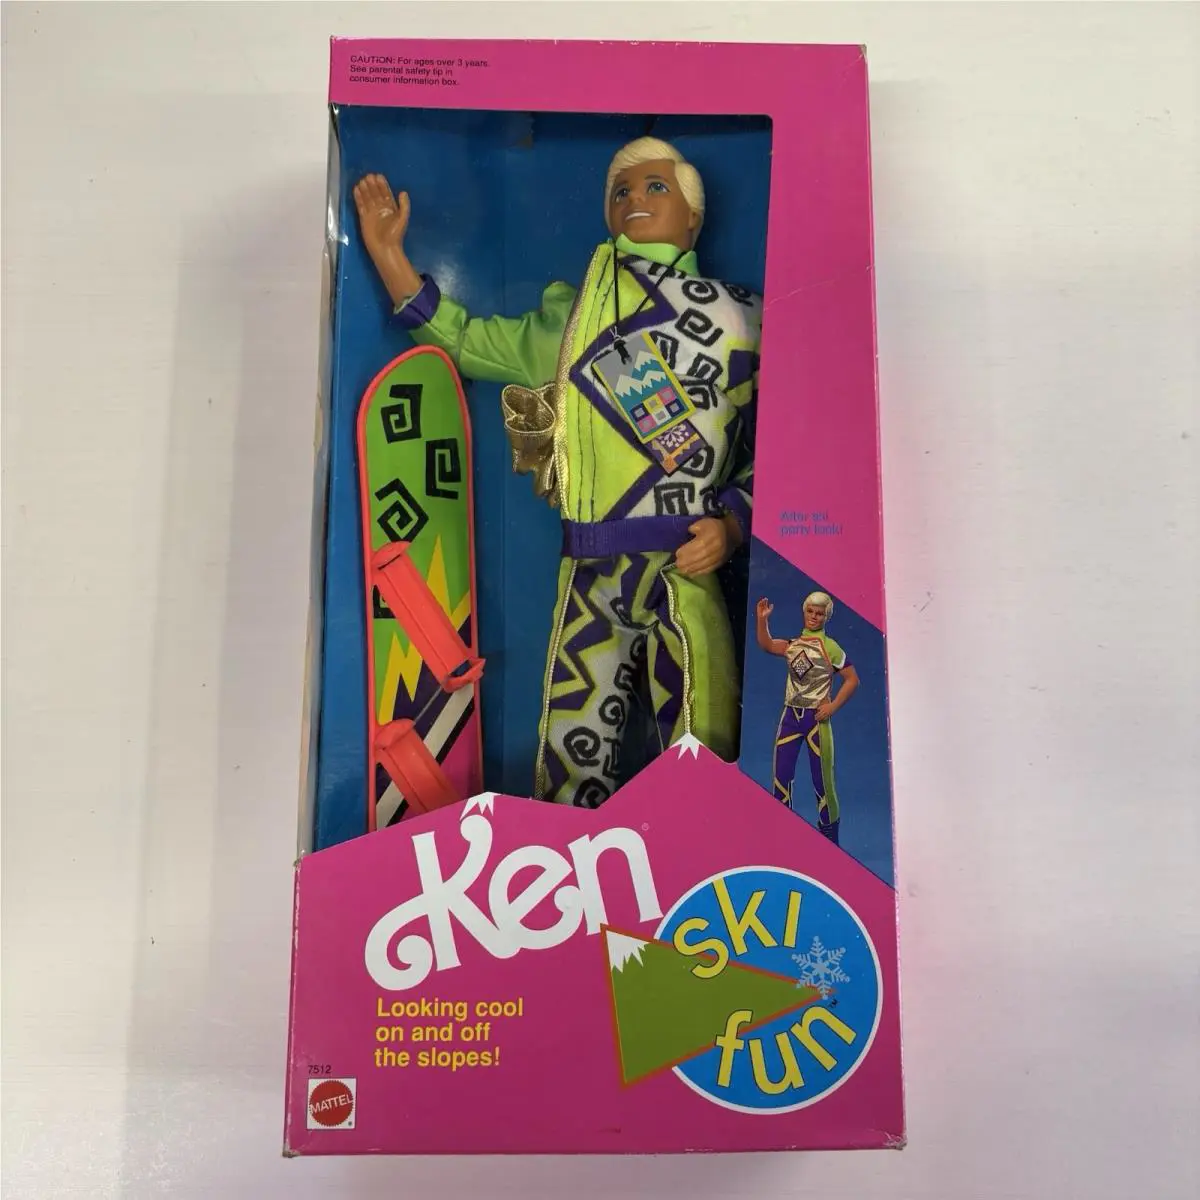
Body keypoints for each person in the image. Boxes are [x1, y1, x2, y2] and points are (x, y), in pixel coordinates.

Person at [352, 137, 761, 808]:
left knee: (704, 748)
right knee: (572, 755)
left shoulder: (745, 318)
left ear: (694, 212)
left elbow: (789, 447)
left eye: (656, 187)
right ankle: (568, 865)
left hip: (686, 562)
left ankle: (702, 857)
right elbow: (466, 340)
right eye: (621, 191)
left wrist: (733, 524)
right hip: (593, 567)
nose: (635, 200)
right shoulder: (575, 320)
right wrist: (389, 256)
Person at [756, 592, 859, 844]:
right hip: (790, 717)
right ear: (804, 612)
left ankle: (830, 843)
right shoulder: (793, 645)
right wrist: (762, 620)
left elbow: (852, 679)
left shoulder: (830, 648)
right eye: (810, 611)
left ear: (826, 616)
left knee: (823, 784)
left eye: (819, 613)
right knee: (780, 780)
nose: (814, 616)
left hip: (816, 721)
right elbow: (767, 645)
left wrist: (832, 706)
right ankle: (781, 840)